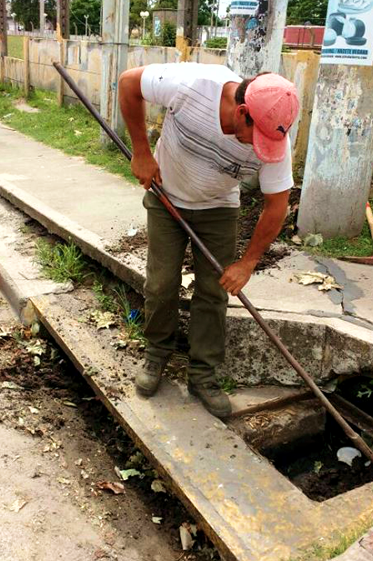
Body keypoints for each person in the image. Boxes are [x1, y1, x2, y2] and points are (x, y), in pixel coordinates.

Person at [118, 63, 299, 418]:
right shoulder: (191, 85)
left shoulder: (275, 137)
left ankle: (203, 373)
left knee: (214, 292)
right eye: (254, 137)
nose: (259, 149)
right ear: (243, 112)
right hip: (166, 197)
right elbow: (128, 83)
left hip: (219, 209)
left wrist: (247, 263)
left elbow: (276, 204)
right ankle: (156, 353)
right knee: (160, 283)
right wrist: (141, 150)